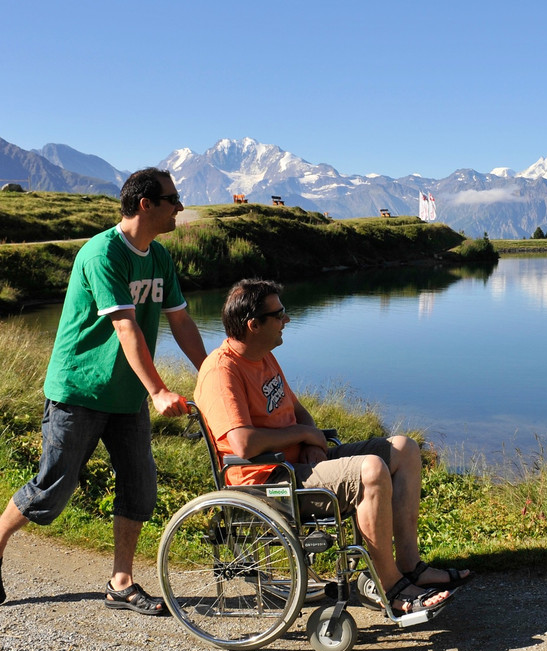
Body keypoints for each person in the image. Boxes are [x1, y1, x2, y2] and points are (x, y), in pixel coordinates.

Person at [193, 279, 471, 615]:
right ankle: (391, 586)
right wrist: (304, 436)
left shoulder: (262, 356)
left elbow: (297, 410)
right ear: (253, 325)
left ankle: (410, 566)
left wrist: (311, 440)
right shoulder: (221, 372)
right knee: (370, 470)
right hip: (270, 483)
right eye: (279, 315)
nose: (287, 320)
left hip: (299, 467)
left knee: (405, 448)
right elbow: (244, 443)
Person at [0, 168, 207, 614]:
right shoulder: (102, 253)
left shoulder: (159, 257)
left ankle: (120, 583)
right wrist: (158, 390)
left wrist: (210, 376)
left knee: (140, 487)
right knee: (52, 489)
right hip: (79, 390)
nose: (180, 207)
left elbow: (181, 320)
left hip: (126, 396)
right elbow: (125, 327)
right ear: (146, 204)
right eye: (173, 199)